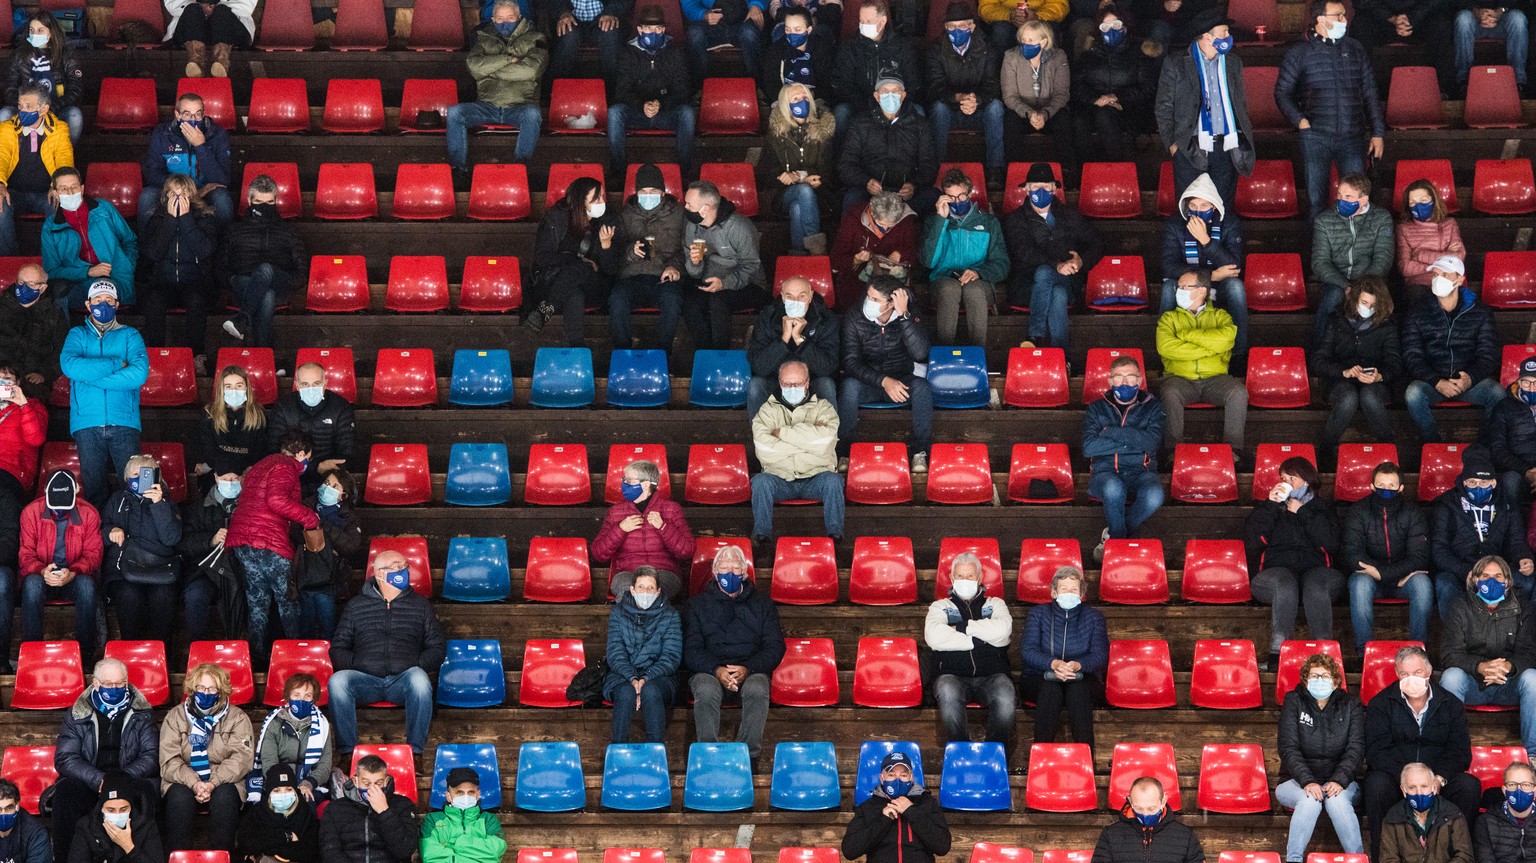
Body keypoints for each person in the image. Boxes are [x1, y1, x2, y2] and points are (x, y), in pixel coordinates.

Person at [328, 549, 447, 762]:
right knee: (338, 681)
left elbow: (437, 648)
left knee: (420, 679)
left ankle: (415, 753)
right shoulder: (356, 606)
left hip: (403, 680)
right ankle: (348, 753)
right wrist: (358, 663)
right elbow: (337, 649)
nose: (401, 570)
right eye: (394, 567)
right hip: (366, 680)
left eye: (404, 566)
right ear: (379, 574)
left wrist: (416, 664)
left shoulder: (421, 605)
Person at [1364, 645, 1482, 859]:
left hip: (1437, 779)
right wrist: (1407, 779)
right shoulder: (1380, 704)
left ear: (1428, 672)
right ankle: (1382, 855)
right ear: (1397, 675)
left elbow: (1459, 751)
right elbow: (1376, 750)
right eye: (1404, 674)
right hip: (1397, 779)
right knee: (1376, 785)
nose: (1411, 678)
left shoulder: (1451, 704)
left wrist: (1437, 778)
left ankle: (1459, 854)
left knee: (1469, 786)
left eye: (1417, 672)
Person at [1275, 0, 1387, 221]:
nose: (1344, 20)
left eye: (1345, 15)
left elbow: (1370, 92)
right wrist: (1301, 121)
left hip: (1353, 136)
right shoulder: (1299, 52)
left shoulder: (1355, 48)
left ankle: (1353, 255)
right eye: (1338, 16)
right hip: (1315, 136)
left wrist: (1378, 132)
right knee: (1317, 201)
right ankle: (1318, 255)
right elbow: (1282, 93)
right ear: (1321, 19)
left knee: (1356, 201)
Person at [683, 544, 785, 771]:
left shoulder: (763, 605)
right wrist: (716, 670)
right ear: (714, 571)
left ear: (745, 572)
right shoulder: (696, 605)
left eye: (736, 567)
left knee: (759, 688)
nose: (730, 572)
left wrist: (747, 668)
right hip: (709, 670)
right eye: (724, 566)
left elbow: (775, 647)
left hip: (750, 669)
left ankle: (747, 758)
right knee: (706, 689)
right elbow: (691, 649)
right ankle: (708, 756)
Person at [52, 658, 160, 863]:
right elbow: (65, 758)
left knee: (148, 790)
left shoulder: (142, 712)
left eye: (120, 683)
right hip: (92, 780)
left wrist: (122, 780)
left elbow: (151, 756)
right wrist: (98, 779)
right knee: (65, 793)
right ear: (96, 683)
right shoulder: (78, 713)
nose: (115, 688)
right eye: (109, 684)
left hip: (128, 778)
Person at [227, 431, 320, 662]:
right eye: (308, 456)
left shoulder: (262, 464)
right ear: (301, 454)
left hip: (243, 540)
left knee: (257, 601)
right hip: (269, 540)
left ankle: (257, 659)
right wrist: (310, 518)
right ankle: (295, 656)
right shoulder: (286, 467)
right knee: (288, 599)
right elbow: (276, 501)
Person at [1245, 457, 1343, 668]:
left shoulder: (1321, 508)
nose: (1285, 482)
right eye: (1282, 478)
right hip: (1275, 573)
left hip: (1318, 571)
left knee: (1316, 585)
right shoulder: (1270, 508)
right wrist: (1271, 505)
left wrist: (1303, 511)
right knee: (1285, 583)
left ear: (1307, 480)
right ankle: (1277, 655)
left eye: (1292, 478)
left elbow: (1331, 543)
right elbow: (1255, 541)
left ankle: (1325, 655)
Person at [60, 280, 148, 507]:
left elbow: (138, 375)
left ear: (117, 304)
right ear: (88, 305)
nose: (103, 304)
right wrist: (117, 362)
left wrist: (88, 378)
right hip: (86, 422)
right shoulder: (77, 334)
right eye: (98, 300)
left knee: (134, 487)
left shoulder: (130, 335)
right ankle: (98, 539)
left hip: (124, 420)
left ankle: (134, 539)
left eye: (108, 300)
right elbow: (70, 366)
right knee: (94, 490)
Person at [1439, 555, 1536, 759]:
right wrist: (1481, 667)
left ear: (1508, 581)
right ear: (1475, 580)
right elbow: (1450, 654)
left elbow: (1529, 652)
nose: (1492, 581)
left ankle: (1532, 755)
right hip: (1474, 683)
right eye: (1485, 576)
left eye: (1498, 576)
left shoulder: (1523, 606)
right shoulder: (1459, 606)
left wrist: (1508, 666)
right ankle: (1452, 751)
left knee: (1533, 680)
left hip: (1508, 683)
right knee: (1450, 677)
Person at [1401, 255, 1503, 443]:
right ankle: (1432, 443)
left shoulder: (1480, 312)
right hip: (1433, 382)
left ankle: (1484, 445)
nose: (1438, 279)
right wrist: (1437, 381)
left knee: (1497, 393)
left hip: (1468, 382)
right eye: (1436, 274)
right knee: (1413, 393)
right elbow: (1412, 354)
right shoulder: (1418, 310)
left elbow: (1488, 354)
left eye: (1445, 275)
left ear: (1459, 279)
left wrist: (1469, 378)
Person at [1155, 15, 1254, 206]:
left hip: (1226, 146)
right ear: (1206, 37)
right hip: (1190, 146)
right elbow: (1163, 106)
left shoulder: (1233, 62)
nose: (1228, 36)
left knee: (1222, 206)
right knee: (1191, 206)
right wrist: (1172, 145)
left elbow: (1240, 102)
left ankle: (1216, 238)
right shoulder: (1176, 63)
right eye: (1223, 32)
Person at [1276, 652, 1366, 861]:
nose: (1319, 680)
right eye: (1314, 676)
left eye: (1325, 676)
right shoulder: (1294, 700)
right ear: (1306, 680)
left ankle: (1357, 858)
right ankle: (1294, 860)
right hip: (1295, 782)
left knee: (1336, 802)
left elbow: (1356, 748)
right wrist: (1307, 781)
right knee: (1309, 800)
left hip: (1342, 783)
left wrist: (1339, 780)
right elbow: (1288, 747)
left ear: (1335, 682)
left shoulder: (1351, 705)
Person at [837, 277, 932, 471]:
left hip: (901, 380)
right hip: (867, 382)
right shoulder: (854, 316)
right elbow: (850, 362)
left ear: (891, 303)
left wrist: (904, 317)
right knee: (848, 386)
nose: (868, 302)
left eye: (875, 299)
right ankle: (844, 452)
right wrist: (883, 381)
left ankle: (919, 452)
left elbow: (921, 354)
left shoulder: (909, 314)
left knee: (922, 388)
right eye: (868, 296)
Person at [159, 662, 254, 854]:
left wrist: (212, 782)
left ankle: (222, 855)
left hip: (224, 780)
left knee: (226, 797)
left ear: (221, 691)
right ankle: (178, 856)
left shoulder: (237, 718)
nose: (205, 692)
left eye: (212, 688)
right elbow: (169, 760)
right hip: (183, 779)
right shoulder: (175, 716)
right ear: (192, 689)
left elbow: (241, 758)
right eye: (200, 687)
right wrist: (194, 782)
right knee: (178, 798)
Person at [1004, 162, 1099, 351]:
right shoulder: (1016, 219)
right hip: (1027, 285)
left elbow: (1096, 243)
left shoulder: (1069, 216)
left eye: (1046, 187)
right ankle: (1062, 356)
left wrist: (1081, 260)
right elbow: (1024, 251)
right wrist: (1056, 265)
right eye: (1036, 187)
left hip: (1068, 279)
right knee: (1056, 292)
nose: (1041, 191)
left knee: (1052, 280)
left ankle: (1034, 336)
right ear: (1027, 189)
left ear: (1054, 189)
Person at [926, 553, 1015, 751]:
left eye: (970, 576)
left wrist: (962, 628)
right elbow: (935, 638)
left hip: (992, 675)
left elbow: (1003, 631)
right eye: (960, 576)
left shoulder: (995, 604)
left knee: (1006, 696)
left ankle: (993, 753)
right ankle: (961, 752)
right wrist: (981, 640)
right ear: (952, 578)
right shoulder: (940, 606)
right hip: (951, 675)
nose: (964, 581)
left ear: (980, 578)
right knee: (948, 692)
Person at [447, 0, 546, 176]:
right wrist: (508, 59)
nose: (505, 22)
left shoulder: (536, 37)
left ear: (519, 17)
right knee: (455, 112)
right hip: (487, 105)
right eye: (500, 19)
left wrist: (490, 71)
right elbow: (473, 66)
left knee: (533, 114)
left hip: (520, 106)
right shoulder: (484, 37)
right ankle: (458, 169)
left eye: (510, 18)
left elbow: (531, 71)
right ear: (492, 19)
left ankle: (520, 169)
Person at [1431, 447, 1535, 615]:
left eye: (1484, 482)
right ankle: (1457, 636)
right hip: (1460, 568)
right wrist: (1466, 571)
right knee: (1445, 584)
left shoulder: (1507, 505)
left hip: (1497, 570)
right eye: (1472, 482)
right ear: (1464, 481)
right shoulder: (1446, 505)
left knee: (1527, 581)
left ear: (1493, 483)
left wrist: (1524, 558)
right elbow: (1439, 549)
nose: (1478, 487)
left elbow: (1516, 542)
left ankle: (1509, 632)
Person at [1156, 268, 1248, 456]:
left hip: (1215, 379)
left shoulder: (1220, 316)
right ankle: (1172, 452)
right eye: (1179, 287)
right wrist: (1210, 348)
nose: (1179, 290)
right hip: (1179, 380)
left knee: (1238, 392)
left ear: (1202, 291)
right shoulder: (1169, 318)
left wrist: (1186, 335)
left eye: (1184, 286)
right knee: (1169, 392)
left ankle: (1234, 452)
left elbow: (1227, 340)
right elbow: (1166, 348)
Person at [1160, 172, 1247, 372]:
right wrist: (1210, 276)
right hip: (1188, 283)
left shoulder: (1229, 223)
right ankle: (1164, 345)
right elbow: (1169, 266)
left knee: (1236, 287)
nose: (1197, 211)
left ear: (1214, 206)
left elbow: (1233, 267)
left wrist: (1206, 241)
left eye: (1204, 206)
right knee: (1167, 287)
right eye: (1193, 206)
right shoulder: (1175, 225)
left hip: (1220, 283)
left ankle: (1239, 355)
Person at [1083, 355, 1166, 560]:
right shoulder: (1096, 408)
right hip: (1105, 473)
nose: (1125, 383)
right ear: (1110, 381)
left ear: (1139, 380)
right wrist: (1134, 441)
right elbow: (1089, 447)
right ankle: (1120, 548)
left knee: (1155, 495)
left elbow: (1151, 443)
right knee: (1113, 488)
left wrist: (1110, 432)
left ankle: (1113, 538)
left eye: (1130, 377)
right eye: (1119, 377)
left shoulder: (1152, 407)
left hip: (1142, 472)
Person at [751, 360, 844, 542]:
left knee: (834, 481)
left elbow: (826, 443)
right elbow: (764, 449)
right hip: (779, 477)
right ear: (780, 383)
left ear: (807, 383)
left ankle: (835, 538)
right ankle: (762, 539)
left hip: (817, 476)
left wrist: (781, 433)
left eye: (798, 383)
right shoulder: (766, 411)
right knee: (760, 482)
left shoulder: (824, 408)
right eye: (787, 384)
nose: (792, 387)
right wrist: (809, 441)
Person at [1018, 566, 1108, 753]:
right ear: (1054, 592)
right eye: (1064, 589)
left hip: (1083, 678)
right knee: (1050, 689)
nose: (1069, 593)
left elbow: (1100, 656)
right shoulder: (1038, 615)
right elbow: (1028, 650)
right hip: (1040, 677)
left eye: (1074, 589)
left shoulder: (1094, 617)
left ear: (1081, 593)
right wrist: (1054, 664)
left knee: (1078, 688)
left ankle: (1085, 758)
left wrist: (1078, 666)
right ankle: (1041, 756)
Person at [1345, 461, 1432, 652]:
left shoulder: (1413, 513)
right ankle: (1364, 652)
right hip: (1371, 579)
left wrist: (1384, 573)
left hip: (1404, 580)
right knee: (1358, 584)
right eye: (1381, 485)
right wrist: (1379, 574)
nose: (1386, 490)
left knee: (1422, 584)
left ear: (1401, 488)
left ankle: (1419, 651)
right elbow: (1353, 554)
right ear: (1372, 486)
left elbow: (1419, 557)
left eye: (1392, 486)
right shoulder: (1358, 511)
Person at [16, 471, 101, 665]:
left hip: (73, 576)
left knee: (87, 586)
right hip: (42, 576)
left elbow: (93, 555)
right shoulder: (31, 512)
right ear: (46, 492)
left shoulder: (89, 513)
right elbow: (25, 556)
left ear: (76, 492)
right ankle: (31, 653)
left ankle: (85, 657)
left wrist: (73, 572)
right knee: (32, 585)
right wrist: (42, 570)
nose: (60, 510)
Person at [525, 176, 620, 346]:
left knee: (581, 270)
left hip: (594, 285)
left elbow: (610, 270)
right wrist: (575, 259)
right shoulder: (557, 218)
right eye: (596, 198)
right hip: (555, 283)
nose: (602, 202)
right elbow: (542, 257)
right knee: (574, 291)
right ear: (580, 201)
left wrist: (606, 247)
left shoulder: (607, 221)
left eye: (602, 197)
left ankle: (544, 311)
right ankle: (577, 349)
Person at [920, 167, 1009, 346]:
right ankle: (945, 353)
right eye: (950, 198)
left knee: (973, 290)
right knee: (949, 289)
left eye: (961, 196)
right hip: (943, 280)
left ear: (969, 195)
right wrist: (940, 221)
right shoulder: (933, 221)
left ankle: (978, 353)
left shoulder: (988, 222)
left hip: (980, 282)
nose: (957, 201)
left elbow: (1002, 264)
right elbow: (927, 261)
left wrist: (979, 273)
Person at [1312, 276, 1400, 454]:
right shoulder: (1337, 320)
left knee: (1369, 395)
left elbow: (1395, 364)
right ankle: (1327, 450)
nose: (1367, 308)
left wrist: (1379, 375)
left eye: (1372, 305)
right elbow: (1318, 361)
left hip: (1375, 382)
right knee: (1348, 397)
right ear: (1355, 299)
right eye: (1364, 302)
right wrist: (1343, 372)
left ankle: (1388, 449)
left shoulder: (1387, 326)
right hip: (1339, 380)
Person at [102, 454, 183, 645]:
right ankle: (131, 654)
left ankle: (163, 657)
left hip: (161, 568)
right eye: (135, 474)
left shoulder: (167, 502)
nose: (140, 478)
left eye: (145, 473)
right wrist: (111, 531)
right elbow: (101, 529)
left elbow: (171, 538)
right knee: (128, 595)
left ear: (156, 477)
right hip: (124, 568)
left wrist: (159, 505)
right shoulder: (117, 500)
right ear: (127, 478)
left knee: (164, 596)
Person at [219, 175, 307, 349]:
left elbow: (301, 271)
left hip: (279, 282)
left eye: (269, 203)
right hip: (243, 285)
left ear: (276, 201)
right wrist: (231, 280)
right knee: (266, 296)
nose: (264, 207)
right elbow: (220, 267)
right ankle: (264, 357)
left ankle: (243, 318)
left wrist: (286, 281)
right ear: (249, 200)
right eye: (259, 202)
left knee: (265, 270)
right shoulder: (234, 230)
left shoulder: (288, 231)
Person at [139, 176, 220, 366]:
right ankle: (155, 354)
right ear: (166, 197)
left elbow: (204, 250)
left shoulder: (204, 217)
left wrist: (186, 219)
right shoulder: (157, 218)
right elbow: (154, 253)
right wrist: (169, 220)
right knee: (154, 299)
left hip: (195, 280)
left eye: (183, 194)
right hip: (163, 281)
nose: (178, 198)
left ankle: (197, 355)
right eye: (173, 194)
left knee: (196, 299)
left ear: (191, 196)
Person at [681, 180, 767, 350]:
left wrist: (725, 283)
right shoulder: (692, 226)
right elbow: (694, 273)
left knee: (718, 301)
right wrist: (695, 263)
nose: (685, 208)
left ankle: (721, 356)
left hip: (748, 285)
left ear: (705, 208)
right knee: (689, 303)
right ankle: (705, 354)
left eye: (689, 205)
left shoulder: (738, 227)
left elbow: (751, 266)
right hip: (709, 282)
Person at [610, 6, 697, 175]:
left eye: (658, 28)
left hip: (665, 112)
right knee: (615, 112)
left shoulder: (675, 52)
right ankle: (619, 173)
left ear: (663, 29)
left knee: (687, 112)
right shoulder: (628, 53)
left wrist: (660, 104)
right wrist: (642, 105)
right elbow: (621, 91)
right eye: (648, 28)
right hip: (637, 113)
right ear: (640, 30)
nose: (653, 33)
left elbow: (682, 90)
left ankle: (683, 173)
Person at [610, 164, 687, 353]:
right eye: (643, 191)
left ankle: (662, 354)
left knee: (673, 299)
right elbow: (613, 253)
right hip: (632, 277)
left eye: (653, 191)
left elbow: (686, 249)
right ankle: (623, 353)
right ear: (636, 193)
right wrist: (631, 252)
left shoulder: (678, 215)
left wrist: (674, 267)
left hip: (664, 277)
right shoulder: (625, 215)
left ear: (662, 192)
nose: (648, 195)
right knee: (617, 298)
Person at [592, 459, 695, 600]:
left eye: (629, 480)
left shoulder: (671, 509)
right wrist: (620, 529)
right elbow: (598, 553)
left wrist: (664, 527)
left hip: (663, 572)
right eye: (624, 479)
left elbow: (687, 551)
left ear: (646, 484)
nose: (624, 484)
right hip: (628, 573)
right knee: (629, 594)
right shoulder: (615, 512)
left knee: (653, 592)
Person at [1310, 172, 1394, 344]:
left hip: (1371, 279)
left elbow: (1383, 258)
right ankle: (1317, 352)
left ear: (1364, 200)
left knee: (1377, 298)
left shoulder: (1381, 218)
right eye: (1340, 195)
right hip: (1338, 280)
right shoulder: (1324, 220)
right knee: (1332, 297)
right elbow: (1320, 262)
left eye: (1348, 197)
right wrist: (1346, 286)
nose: (1341, 200)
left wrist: (1361, 287)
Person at [839, 73, 938, 215]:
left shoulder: (920, 125)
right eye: (885, 91)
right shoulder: (860, 123)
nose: (890, 95)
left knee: (933, 197)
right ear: (877, 96)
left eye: (895, 91)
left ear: (903, 95)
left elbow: (929, 165)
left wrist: (913, 185)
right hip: (871, 192)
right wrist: (866, 182)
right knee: (852, 198)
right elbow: (846, 164)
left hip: (905, 194)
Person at [604, 567, 683, 743]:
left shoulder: (670, 615)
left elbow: (671, 656)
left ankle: (656, 754)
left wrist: (645, 678)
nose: (645, 592)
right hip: (622, 676)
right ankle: (618, 751)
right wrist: (633, 678)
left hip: (660, 677)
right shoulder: (617, 613)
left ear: (658, 591)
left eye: (650, 588)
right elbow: (615, 653)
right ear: (632, 590)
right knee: (625, 694)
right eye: (641, 587)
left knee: (651, 691)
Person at [927, 2, 1005, 176]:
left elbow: (992, 85)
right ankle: (937, 169)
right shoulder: (936, 50)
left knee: (996, 108)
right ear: (945, 27)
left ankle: (995, 170)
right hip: (951, 110)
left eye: (962, 26)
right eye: (952, 26)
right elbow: (935, 88)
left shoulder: (987, 47)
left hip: (979, 109)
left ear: (972, 26)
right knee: (938, 109)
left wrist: (976, 100)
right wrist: (958, 98)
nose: (957, 31)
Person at [138, 92, 233, 232]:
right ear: (178, 115)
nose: (193, 119)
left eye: (198, 114)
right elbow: (152, 173)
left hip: (205, 191)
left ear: (204, 114)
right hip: (172, 189)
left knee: (222, 198)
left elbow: (222, 179)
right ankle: (144, 251)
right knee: (147, 196)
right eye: (187, 114)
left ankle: (225, 249)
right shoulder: (163, 133)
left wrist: (200, 146)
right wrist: (182, 189)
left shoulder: (218, 134)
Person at [43, 168, 138, 309]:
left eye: (74, 187)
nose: (70, 192)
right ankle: (67, 332)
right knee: (57, 297)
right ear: (56, 193)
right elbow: (52, 270)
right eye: (64, 188)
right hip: (78, 282)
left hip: (114, 277)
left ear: (81, 189)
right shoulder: (51, 226)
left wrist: (126, 265)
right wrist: (88, 271)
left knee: (103, 295)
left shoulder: (104, 209)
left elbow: (130, 240)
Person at [746, 276, 839, 416]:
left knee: (826, 384)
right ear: (783, 298)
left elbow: (826, 368)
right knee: (756, 385)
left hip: (810, 381)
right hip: (777, 380)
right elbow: (759, 367)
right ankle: (759, 436)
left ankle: (830, 436)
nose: (795, 302)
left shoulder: (825, 318)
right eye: (790, 297)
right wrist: (784, 339)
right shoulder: (768, 316)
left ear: (810, 296)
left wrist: (799, 339)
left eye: (801, 296)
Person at [1071, 8, 1154, 164]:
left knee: (1105, 115)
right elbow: (1077, 84)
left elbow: (1148, 88)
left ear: (1125, 26)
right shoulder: (1090, 52)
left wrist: (1117, 97)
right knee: (1079, 121)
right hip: (1094, 103)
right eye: (1105, 27)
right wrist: (1095, 99)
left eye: (1115, 25)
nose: (1110, 30)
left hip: (1128, 107)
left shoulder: (1140, 51)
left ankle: (1115, 168)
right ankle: (1085, 172)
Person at [0, 84, 73, 258]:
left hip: (45, 194)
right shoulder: (6, 129)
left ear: (44, 109)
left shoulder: (59, 129)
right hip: (14, 193)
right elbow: (1, 156)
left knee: (60, 203)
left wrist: (58, 186)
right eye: (20, 106)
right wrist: (0, 184)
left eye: (28, 107)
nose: (22, 110)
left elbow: (64, 160)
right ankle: (8, 262)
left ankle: (50, 261)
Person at [841, 752, 951, 863]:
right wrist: (883, 820)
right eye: (891, 775)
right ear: (882, 778)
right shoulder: (869, 807)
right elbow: (850, 851)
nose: (897, 780)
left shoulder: (927, 803)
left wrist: (911, 811)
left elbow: (943, 847)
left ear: (911, 777)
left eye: (903, 775)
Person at [764, 82, 834, 256]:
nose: (801, 102)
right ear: (786, 105)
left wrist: (804, 176)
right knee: (803, 191)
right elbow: (764, 174)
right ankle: (817, 250)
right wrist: (784, 176)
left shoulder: (824, 130)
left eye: (805, 98)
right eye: (795, 99)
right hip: (783, 194)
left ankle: (798, 256)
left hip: (820, 194)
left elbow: (830, 169)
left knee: (798, 208)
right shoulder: (776, 134)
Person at [267, 362, 358, 490]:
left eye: (316, 384)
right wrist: (315, 467)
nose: (311, 389)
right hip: (289, 474)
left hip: (329, 476)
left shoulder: (341, 407)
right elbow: (273, 451)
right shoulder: (283, 407)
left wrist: (326, 469)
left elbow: (347, 452)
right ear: (297, 385)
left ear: (325, 383)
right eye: (305, 384)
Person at [830, 0, 920, 129]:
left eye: (868, 21)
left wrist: (894, 104)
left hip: (895, 104)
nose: (863, 25)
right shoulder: (850, 48)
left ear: (882, 21)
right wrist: (869, 105)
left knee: (919, 111)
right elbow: (842, 84)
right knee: (841, 111)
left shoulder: (902, 47)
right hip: (859, 105)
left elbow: (912, 82)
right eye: (861, 21)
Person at [176, 465, 239, 645]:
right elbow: (183, 543)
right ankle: (201, 648)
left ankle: (243, 650)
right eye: (226, 479)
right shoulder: (199, 507)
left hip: (238, 570)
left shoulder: (250, 507)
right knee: (195, 594)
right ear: (216, 478)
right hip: (205, 571)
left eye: (235, 479)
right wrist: (210, 540)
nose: (230, 483)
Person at [318, 754, 420, 863]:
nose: (372, 788)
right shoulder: (335, 809)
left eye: (378, 783)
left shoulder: (403, 805)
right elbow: (329, 851)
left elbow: (404, 851)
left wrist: (384, 812)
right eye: (366, 783)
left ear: (386, 781)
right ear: (355, 781)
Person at [250, 673, 333, 805]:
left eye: (307, 696)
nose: (301, 700)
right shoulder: (273, 723)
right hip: (278, 782)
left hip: (309, 783)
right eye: (296, 695)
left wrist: (308, 783)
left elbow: (325, 764)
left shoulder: (322, 725)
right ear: (288, 697)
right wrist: (286, 786)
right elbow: (269, 761)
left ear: (314, 699)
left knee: (306, 802)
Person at [2, 12, 84, 141]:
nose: (35, 34)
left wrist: (54, 106)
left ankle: (65, 157)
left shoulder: (66, 55)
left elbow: (75, 88)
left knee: (74, 115)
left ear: (51, 32)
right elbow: (10, 87)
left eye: (40, 30)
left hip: (56, 107)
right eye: (32, 30)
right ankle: (13, 157)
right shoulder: (19, 55)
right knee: (5, 114)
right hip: (25, 108)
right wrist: (24, 107)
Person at [830, 191, 918, 312]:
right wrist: (856, 259)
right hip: (858, 280)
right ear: (871, 213)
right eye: (881, 224)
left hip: (892, 280)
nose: (886, 229)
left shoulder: (905, 221)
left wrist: (900, 254)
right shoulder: (853, 220)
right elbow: (836, 261)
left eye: (890, 226)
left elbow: (914, 252)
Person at [300, 468, 362, 638]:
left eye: (335, 486)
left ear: (344, 495)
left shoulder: (348, 516)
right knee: (306, 621)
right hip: (305, 571)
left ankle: (328, 653)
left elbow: (351, 546)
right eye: (327, 483)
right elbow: (293, 532)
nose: (328, 487)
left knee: (324, 604)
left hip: (331, 575)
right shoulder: (306, 506)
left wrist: (321, 525)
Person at [1000, 22, 1071, 167]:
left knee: (1064, 118)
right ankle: (1014, 171)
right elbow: (1009, 96)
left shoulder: (1058, 56)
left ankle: (1067, 171)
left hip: (1050, 113)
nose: (1026, 44)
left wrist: (1045, 114)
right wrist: (1029, 113)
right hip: (1023, 114)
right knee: (1010, 119)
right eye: (1023, 40)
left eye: (1030, 40)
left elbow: (1061, 94)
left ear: (1044, 41)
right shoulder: (1011, 57)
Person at [1091, 776, 1205, 862]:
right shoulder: (1111, 835)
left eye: (1151, 809)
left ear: (1163, 801)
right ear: (1130, 802)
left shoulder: (1185, 836)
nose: (1145, 814)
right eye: (1139, 808)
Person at [1379, 762, 1476, 863]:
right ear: (1403, 790)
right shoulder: (1393, 818)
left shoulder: (1453, 814)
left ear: (1434, 787)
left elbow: (1464, 856)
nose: (1419, 793)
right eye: (1412, 787)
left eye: (1424, 786)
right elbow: (1388, 859)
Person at [1352, 0, 1454, 92]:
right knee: (1360, 25)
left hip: (1420, 19)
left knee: (1442, 25)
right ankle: (1364, 89)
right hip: (1382, 19)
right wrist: (1392, 18)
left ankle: (1442, 89)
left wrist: (1413, 18)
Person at [0, 264, 68, 399]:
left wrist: (44, 374)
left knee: (29, 408)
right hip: (2, 373)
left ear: (42, 288)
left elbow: (62, 350)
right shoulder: (2, 305)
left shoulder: (54, 315)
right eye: (21, 282)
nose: (24, 288)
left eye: (31, 284)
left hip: (32, 378)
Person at [68, 775, 167, 863]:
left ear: (131, 807)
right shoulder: (86, 826)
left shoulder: (146, 825)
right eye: (111, 810)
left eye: (124, 809)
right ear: (101, 808)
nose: (117, 814)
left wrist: (129, 847)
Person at [1397, 178, 1465, 304]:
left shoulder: (1449, 224)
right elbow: (1405, 267)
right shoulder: (1403, 229)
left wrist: (1420, 255)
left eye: (1423, 200)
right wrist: (1435, 267)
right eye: (1412, 202)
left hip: (1448, 280)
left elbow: (1458, 258)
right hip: (1419, 284)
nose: (1418, 206)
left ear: (1433, 200)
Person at [420, 766, 506, 863]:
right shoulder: (433, 820)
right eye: (459, 792)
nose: (466, 797)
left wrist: (456, 844)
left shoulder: (489, 820)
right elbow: (430, 857)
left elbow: (494, 852)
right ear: (448, 796)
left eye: (471, 792)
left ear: (477, 795)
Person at [237, 765, 320, 863]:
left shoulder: (305, 813)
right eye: (276, 790)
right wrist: (287, 836)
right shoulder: (258, 812)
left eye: (289, 789)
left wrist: (265, 847)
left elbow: (309, 851)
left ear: (295, 792)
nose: (283, 794)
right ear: (269, 793)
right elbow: (245, 843)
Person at [200, 366, 268, 479]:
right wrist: (226, 472)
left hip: (248, 472)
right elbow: (209, 450)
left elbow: (260, 450)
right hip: (220, 473)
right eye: (228, 386)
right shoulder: (209, 413)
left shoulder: (259, 414)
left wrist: (245, 472)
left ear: (246, 387)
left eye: (239, 385)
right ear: (222, 389)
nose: (234, 390)